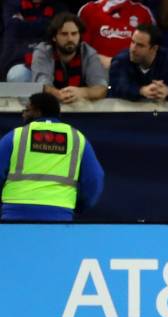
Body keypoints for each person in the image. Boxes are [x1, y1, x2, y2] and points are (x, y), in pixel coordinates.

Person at [0, 92, 104, 221]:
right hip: (60, 212)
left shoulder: (16, 135)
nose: (23, 114)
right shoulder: (77, 138)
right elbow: (94, 177)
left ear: (38, 112)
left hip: (15, 211)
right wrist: (80, 206)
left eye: (27, 110)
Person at [31, 12, 108, 104]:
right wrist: (58, 94)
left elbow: (101, 88)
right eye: (64, 34)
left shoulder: (88, 52)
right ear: (54, 37)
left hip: (78, 95)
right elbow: (41, 85)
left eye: (74, 34)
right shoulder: (43, 51)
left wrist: (82, 92)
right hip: (50, 98)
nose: (70, 39)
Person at [109, 24, 168, 101]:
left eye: (140, 45)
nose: (133, 49)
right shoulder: (121, 60)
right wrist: (141, 91)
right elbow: (117, 87)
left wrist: (167, 91)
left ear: (154, 48)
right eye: (132, 42)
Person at [78, 0, 156, 70]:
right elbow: (81, 52)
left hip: (132, 75)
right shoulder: (88, 10)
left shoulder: (144, 13)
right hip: (97, 74)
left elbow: (151, 54)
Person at [1, 0, 67, 82]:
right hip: (20, 59)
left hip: (49, 59)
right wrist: (46, 24)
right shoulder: (12, 4)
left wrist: (23, 24)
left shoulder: (58, 6)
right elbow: (13, 27)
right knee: (18, 75)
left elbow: (60, 30)